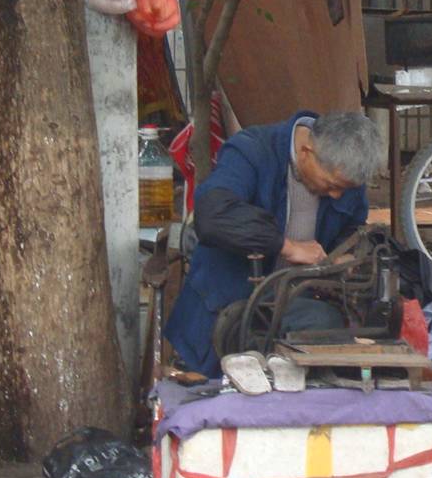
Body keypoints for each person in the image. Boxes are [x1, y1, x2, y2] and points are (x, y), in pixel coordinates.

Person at [164, 110, 383, 377]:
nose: (337, 195)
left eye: (345, 189)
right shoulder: (252, 151)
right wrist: (286, 246)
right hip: (225, 308)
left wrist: (343, 257)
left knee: (328, 330)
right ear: (306, 151)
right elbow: (213, 216)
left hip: (294, 306)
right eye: (331, 185)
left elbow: (351, 228)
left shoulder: (344, 175)